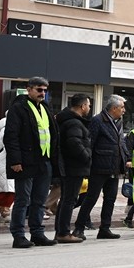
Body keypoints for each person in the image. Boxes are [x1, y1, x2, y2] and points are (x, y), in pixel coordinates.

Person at [4, 77, 59, 248]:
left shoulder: (44, 107)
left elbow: (51, 133)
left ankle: (37, 233)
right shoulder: (18, 108)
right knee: (23, 200)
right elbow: (11, 136)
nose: (42, 93)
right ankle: (18, 235)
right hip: (26, 161)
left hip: (44, 160)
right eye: (39, 90)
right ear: (29, 89)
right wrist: (15, 160)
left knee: (40, 200)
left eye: (45, 90)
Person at [74, 94, 126, 240]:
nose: (124, 110)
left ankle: (105, 228)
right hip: (99, 167)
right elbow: (90, 143)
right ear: (114, 108)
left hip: (114, 167)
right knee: (91, 198)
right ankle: (79, 228)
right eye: (122, 107)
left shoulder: (119, 121)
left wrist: (125, 158)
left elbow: (121, 142)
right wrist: (88, 165)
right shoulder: (98, 120)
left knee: (110, 199)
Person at [53, 93, 92, 243]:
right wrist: (87, 155)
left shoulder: (67, 120)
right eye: (88, 105)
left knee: (65, 200)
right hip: (74, 167)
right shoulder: (74, 123)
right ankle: (63, 233)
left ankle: (60, 231)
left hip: (68, 166)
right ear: (82, 106)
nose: (89, 108)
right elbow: (74, 143)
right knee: (69, 200)